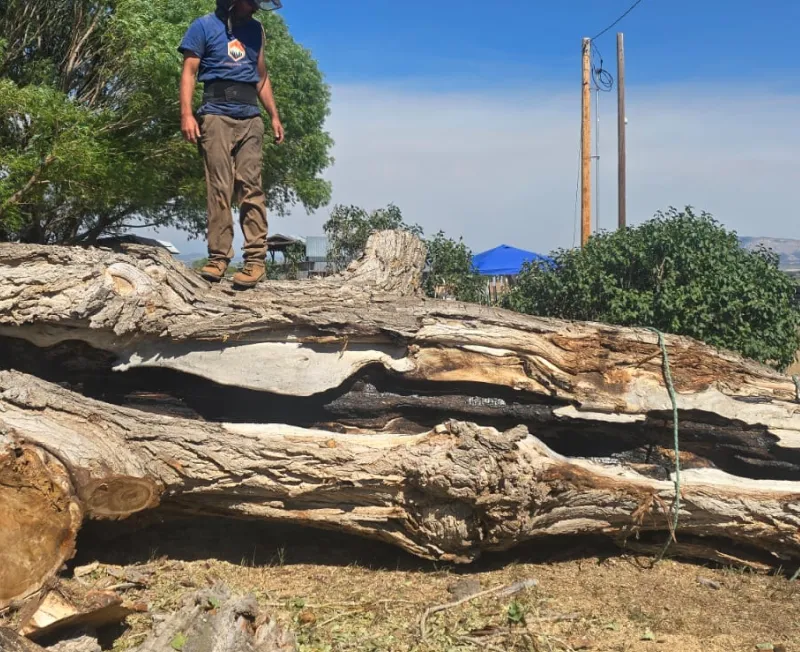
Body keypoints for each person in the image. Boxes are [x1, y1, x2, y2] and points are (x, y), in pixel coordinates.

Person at [178, 0, 285, 288]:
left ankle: (255, 262)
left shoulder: (256, 29)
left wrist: (274, 115)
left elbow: (261, 75)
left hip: (251, 117)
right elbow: (189, 71)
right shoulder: (202, 26)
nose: (253, 5)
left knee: (251, 186)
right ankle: (219, 258)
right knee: (220, 188)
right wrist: (187, 114)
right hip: (215, 115)